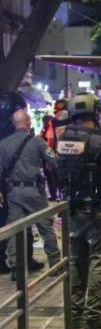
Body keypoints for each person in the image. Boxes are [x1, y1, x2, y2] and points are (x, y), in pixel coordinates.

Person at [57, 92, 101, 329]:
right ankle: (93, 316)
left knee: (76, 262)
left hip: (72, 211)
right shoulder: (100, 142)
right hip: (97, 212)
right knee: (99, 262)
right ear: (96, 112)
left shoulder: (63, 139)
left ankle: (75, 314)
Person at [0, 110, 60, 280]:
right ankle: (55, 264)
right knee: (45, 227)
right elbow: (54, 162)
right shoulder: (38, 142)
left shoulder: (3, 144)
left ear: (13, 123)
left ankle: (16, 268)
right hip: (34, 192)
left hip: (14, 193)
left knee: (15, 229)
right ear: (28, 122)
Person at [0, 92, 35, 275]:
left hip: (9, 184)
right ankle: (21, 261)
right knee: (18, 221)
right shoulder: (13, 135)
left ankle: (20, 260)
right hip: (13, 184)